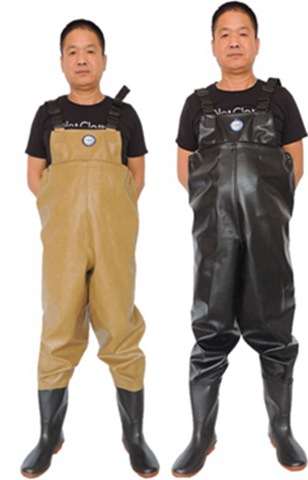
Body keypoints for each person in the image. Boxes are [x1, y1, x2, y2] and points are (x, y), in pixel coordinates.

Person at [172, 2, 307, 476]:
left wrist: (261, 206)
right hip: (214, 239)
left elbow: (294, 166)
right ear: (213, 45)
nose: (234, 41)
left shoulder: (279, 99)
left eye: (243, 32)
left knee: (275, 330)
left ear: (256, 43)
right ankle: (201, 435)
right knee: (210, 331)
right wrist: (219, 208)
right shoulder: (196, 104)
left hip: (268, 236)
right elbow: (185, 171)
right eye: (225, 33)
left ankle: (281, 429)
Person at [20, 19, 159, 478]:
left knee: (120, 327)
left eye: (90, 50)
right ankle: (48, 434)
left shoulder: (125, 116)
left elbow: (136, 177)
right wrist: (67, 210)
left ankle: (134, 436)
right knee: (58, 328)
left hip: (113, 241)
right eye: (73, 51)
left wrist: (107, 210)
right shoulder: (48, 115)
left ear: (104, 59)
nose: (82, 59)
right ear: (62, 61)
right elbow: (35, 177)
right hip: (62, 244)